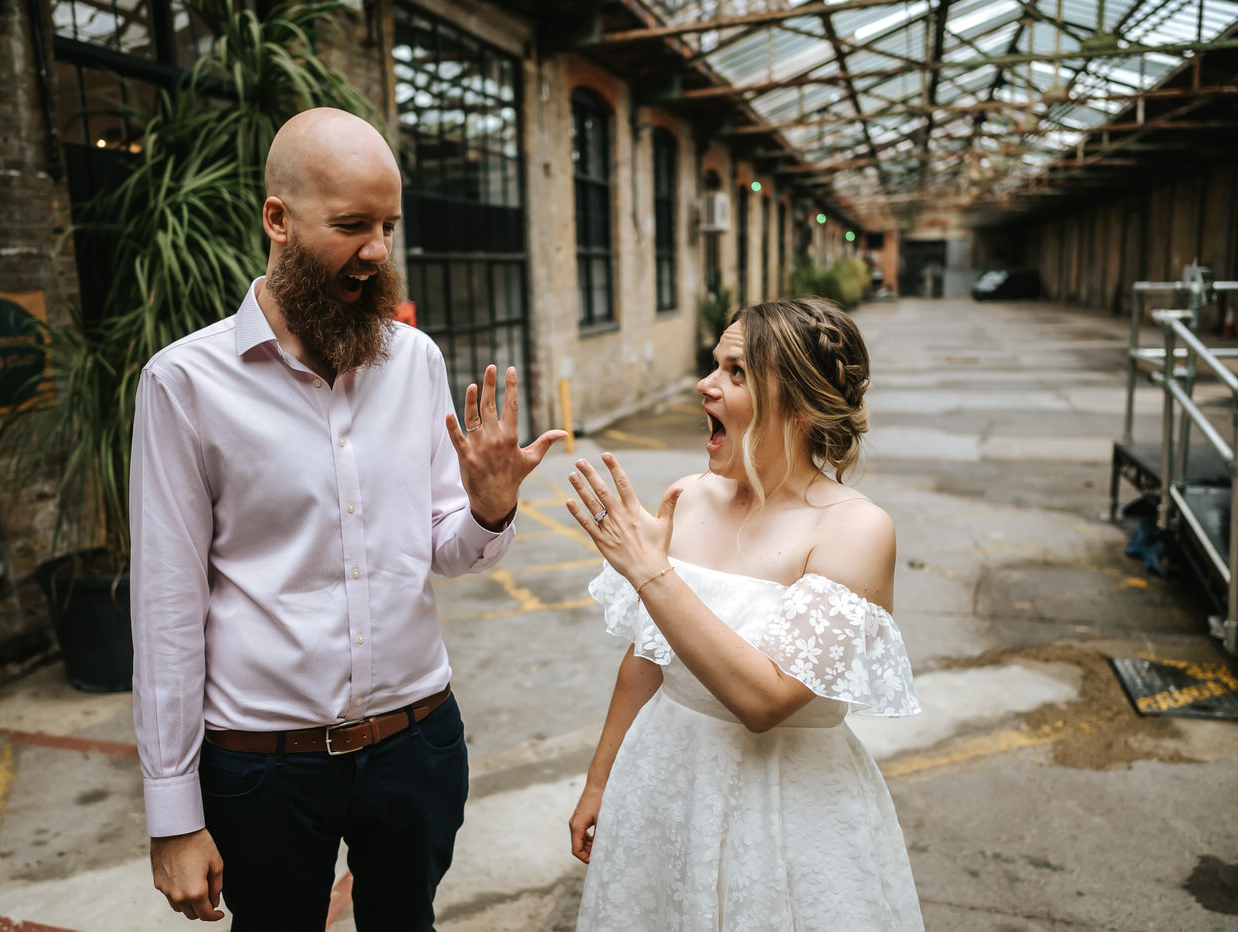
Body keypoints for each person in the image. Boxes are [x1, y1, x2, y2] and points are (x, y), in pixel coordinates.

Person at [128, 107, 564, 930]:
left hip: (418, 743)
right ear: (278, 219)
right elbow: (165, 608)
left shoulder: (417, 364)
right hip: (263, 768)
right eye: (353, 225)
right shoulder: (183, 384)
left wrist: (489, 506)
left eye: (389, 226)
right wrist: (173, 815)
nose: (378, 252)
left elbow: (450, 552)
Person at [564, 298, 924, 930]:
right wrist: (600, 782)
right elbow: (649, 659)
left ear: (800, 404)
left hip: (787, 807)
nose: (706, 385)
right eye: (714, 365)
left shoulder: (854, 530)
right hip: (662, 779)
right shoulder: (691, 498)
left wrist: (652, 573)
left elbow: (765, 700)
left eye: (735, 372)